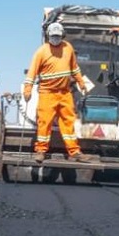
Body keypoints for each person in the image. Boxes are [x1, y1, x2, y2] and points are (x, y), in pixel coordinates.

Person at [22, 22, 95, 164]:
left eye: (58, 36)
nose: (55, 39)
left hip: (64, 93)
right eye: (53, 36)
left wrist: (81, 82)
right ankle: (41, 151)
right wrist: (27, 90)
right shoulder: (41, 52)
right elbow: (32, 73)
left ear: (63, 35)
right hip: (47, 93)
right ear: (48, 36)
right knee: (45, 122)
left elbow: (74, 68)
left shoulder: (68, 48)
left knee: (68, 122)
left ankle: (74, 152)